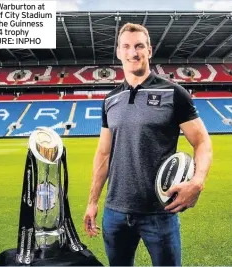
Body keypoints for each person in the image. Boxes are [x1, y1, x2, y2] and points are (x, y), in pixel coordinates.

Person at [83, 23, 212, 266]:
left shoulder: (174, 93)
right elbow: (103, 153)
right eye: (127, 47)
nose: (133, 52)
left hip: (160, 213)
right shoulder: (110, 100)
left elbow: (202, 141)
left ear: (149, 50)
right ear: (119, 53)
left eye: (139, 46)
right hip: (116, 213)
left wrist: (198, 181)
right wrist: (92, 202)